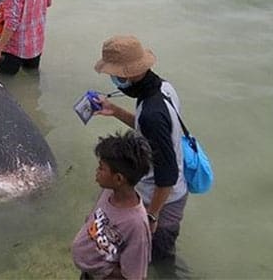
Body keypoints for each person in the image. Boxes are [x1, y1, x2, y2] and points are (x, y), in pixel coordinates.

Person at [92, 35, 189, 263]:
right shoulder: (163, 88)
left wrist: (151, 216)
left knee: (158, 261)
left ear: (129, 73)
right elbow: (149, 129)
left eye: (114, 74)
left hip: (163, 200)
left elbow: (167, 175)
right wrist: (114, 110)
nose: (113, 79)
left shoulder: (152, 114)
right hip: (168, 191)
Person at [72, 131, 153, 280]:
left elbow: (134, 275)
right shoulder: (108, 192)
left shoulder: (136, 225)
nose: (97, 172)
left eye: (101, 168)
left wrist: (104, 271)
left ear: (118, 178)